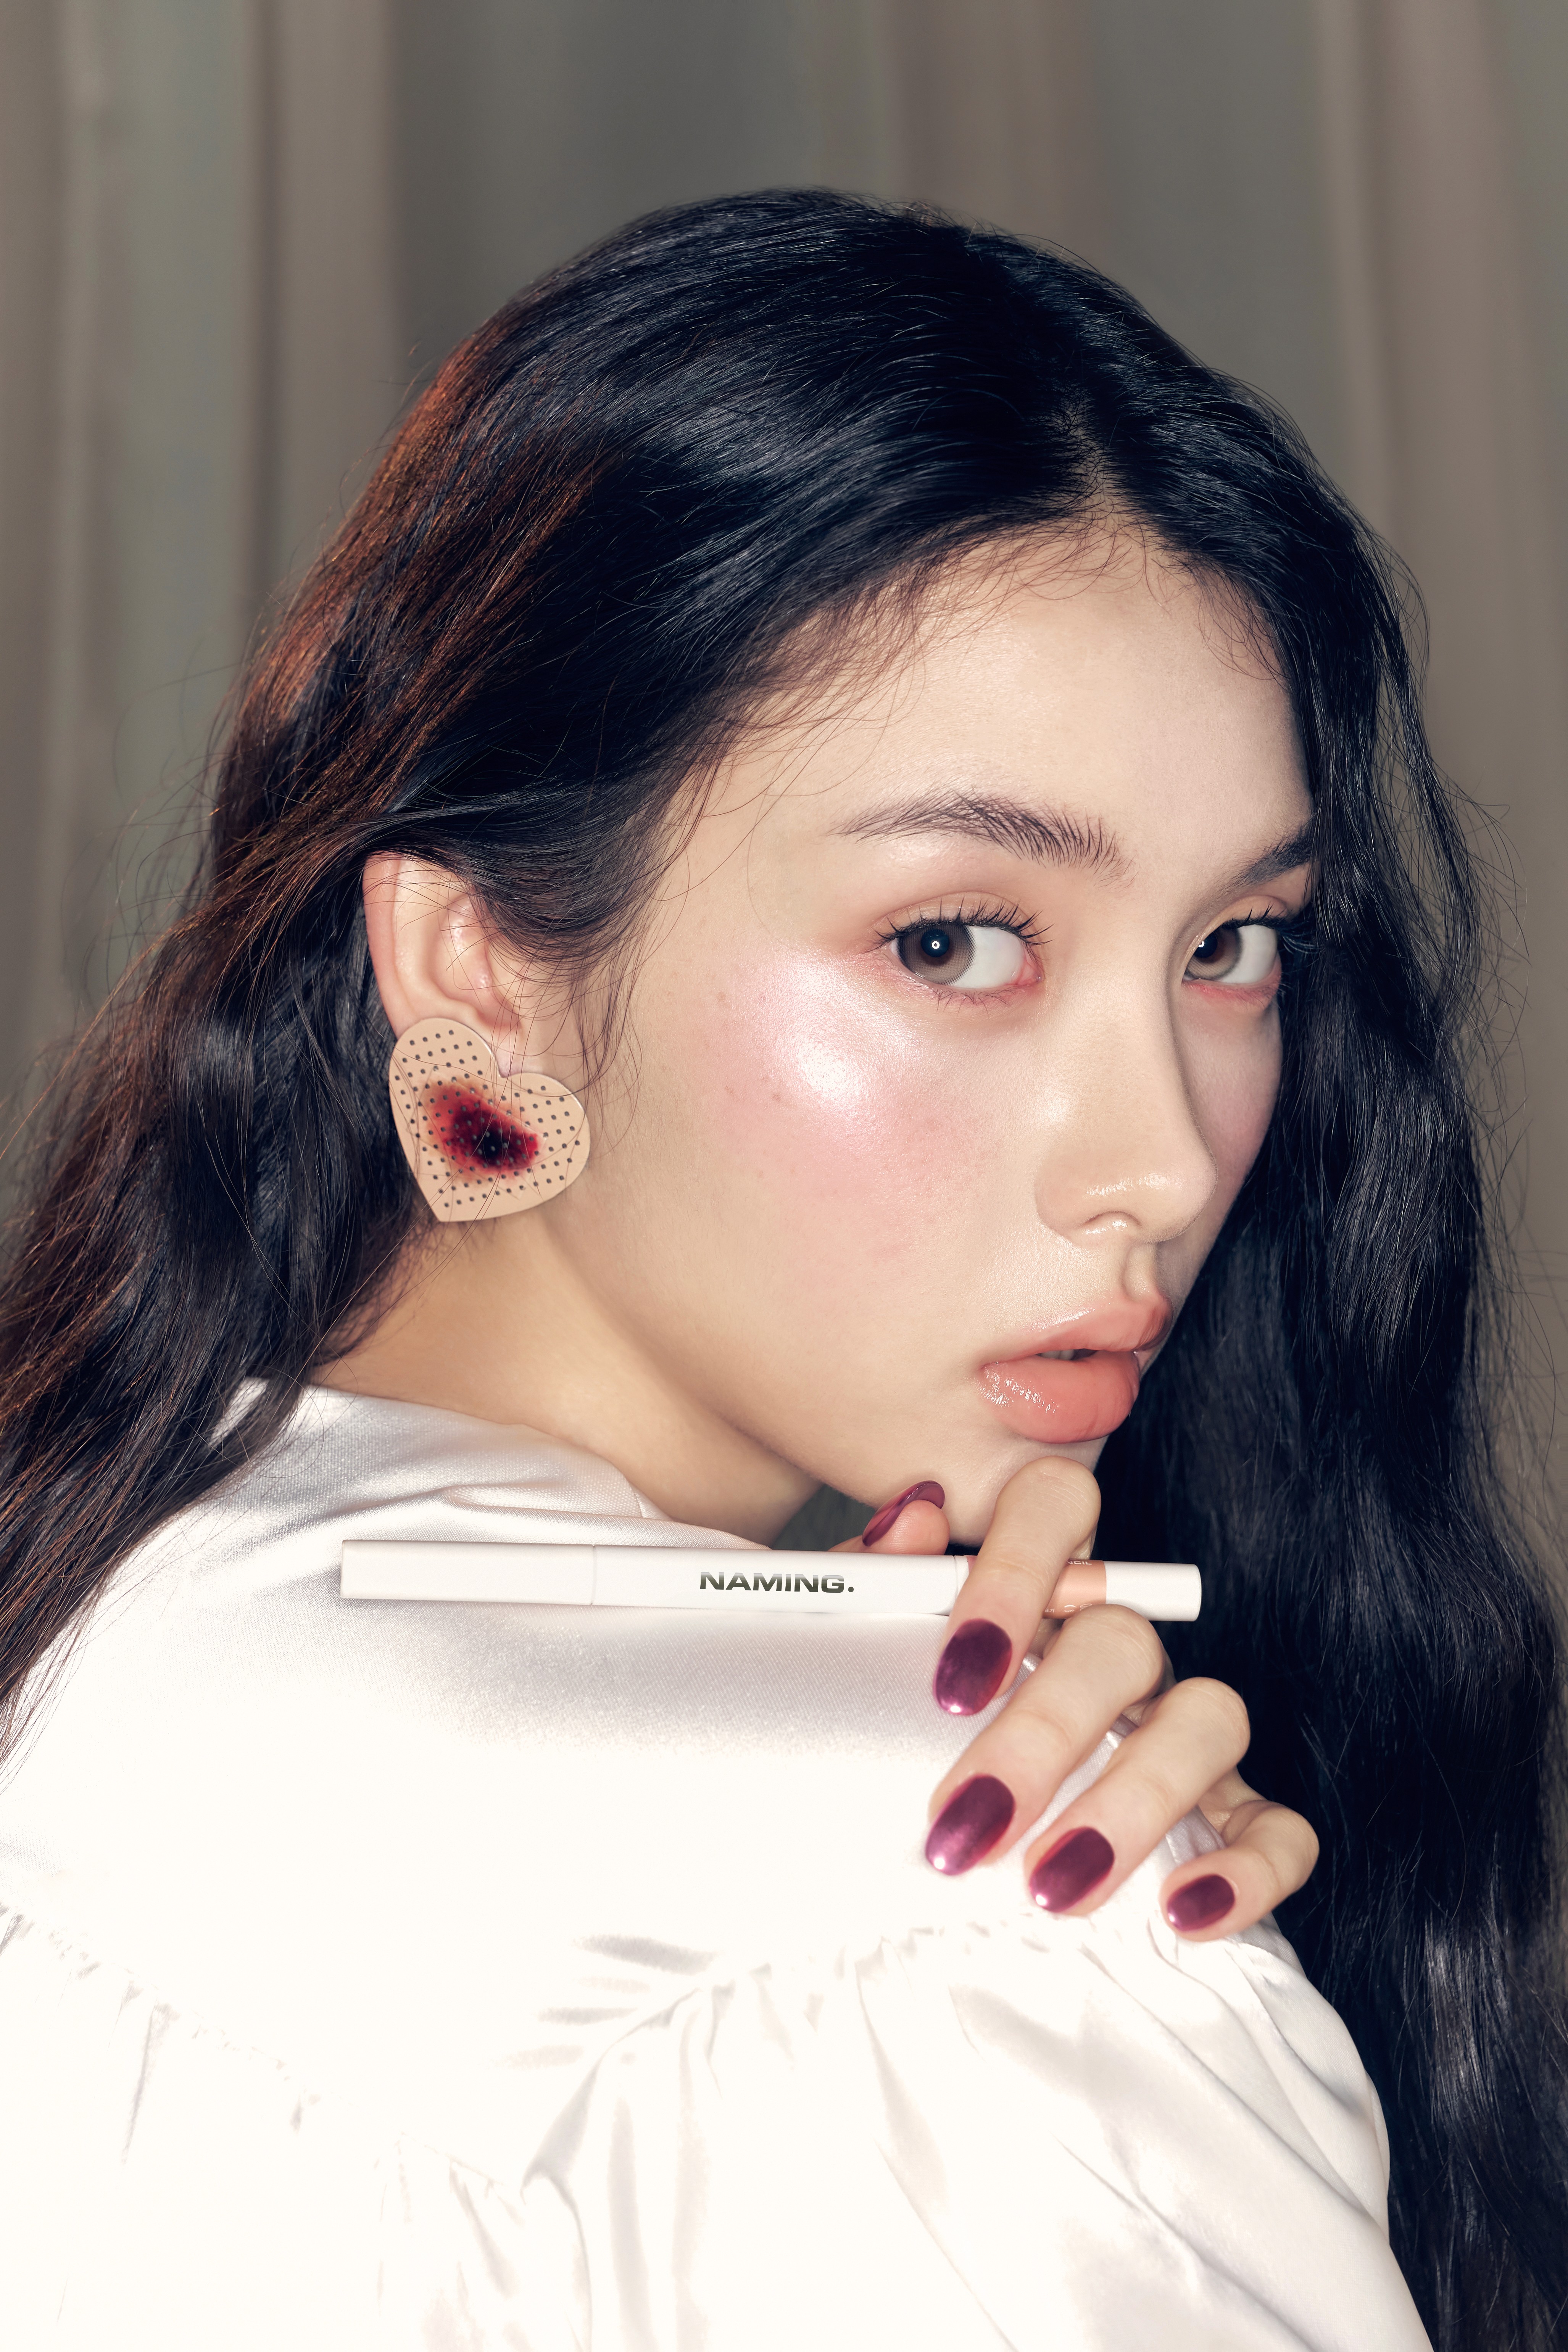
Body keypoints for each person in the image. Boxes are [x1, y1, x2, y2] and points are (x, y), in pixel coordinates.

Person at [0, 190, 1559, 2350]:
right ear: (482, 966)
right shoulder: (971, 1936)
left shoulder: (102, 1590)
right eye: (954, 940)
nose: (1160, 1158)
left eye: (1233, 945)